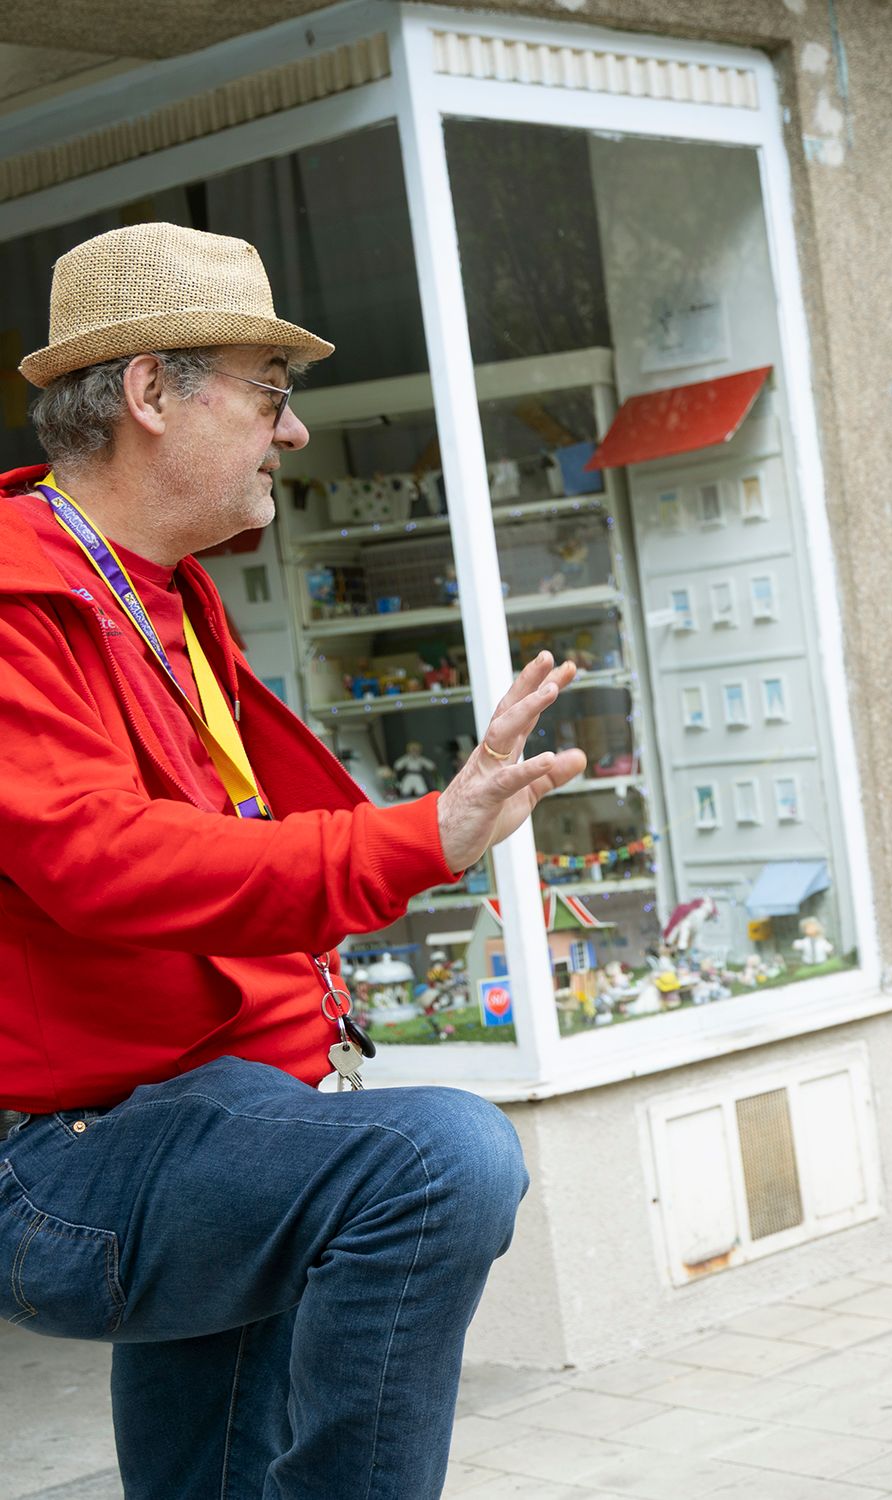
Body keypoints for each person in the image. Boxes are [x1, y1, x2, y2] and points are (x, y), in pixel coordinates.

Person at [0, 223, 590, 1498]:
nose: (293, 431)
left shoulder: (156, 589)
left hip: (226, 1117)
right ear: (154, 392)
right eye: (271, 395)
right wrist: (419, 837)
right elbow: (99, 857)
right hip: (76, 1158)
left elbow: (229, 844)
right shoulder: (18, 599)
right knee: (442, 1162)